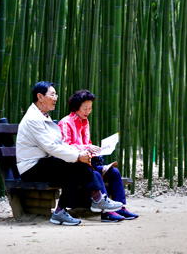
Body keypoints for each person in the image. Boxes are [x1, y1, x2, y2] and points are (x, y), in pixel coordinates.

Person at [16, 81, 124, 226]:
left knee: (76, 165)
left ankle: (64, 210)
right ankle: (97, 199)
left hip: (43, 163)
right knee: (76, 164)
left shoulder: (43, 116)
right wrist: (79, 156)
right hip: (31, 168)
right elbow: (51, 147)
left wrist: (79, 155)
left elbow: (59, 146)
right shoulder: (33, 119)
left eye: (56, 94)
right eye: (52, 94)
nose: (56, 97)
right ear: (40, 97)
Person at [58, 89, 139, 221]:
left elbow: (87, 144)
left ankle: (120, 208)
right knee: (95, 175)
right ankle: (106, 212)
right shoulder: (65, 123)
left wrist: (98, 151)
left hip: (89, 163)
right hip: (76, 168)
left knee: (114, 173)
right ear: (76, 107)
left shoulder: (85, 123)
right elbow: (64, 146)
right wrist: (87, 147)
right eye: (85, 108)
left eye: (90, 108)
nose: (88, 111)